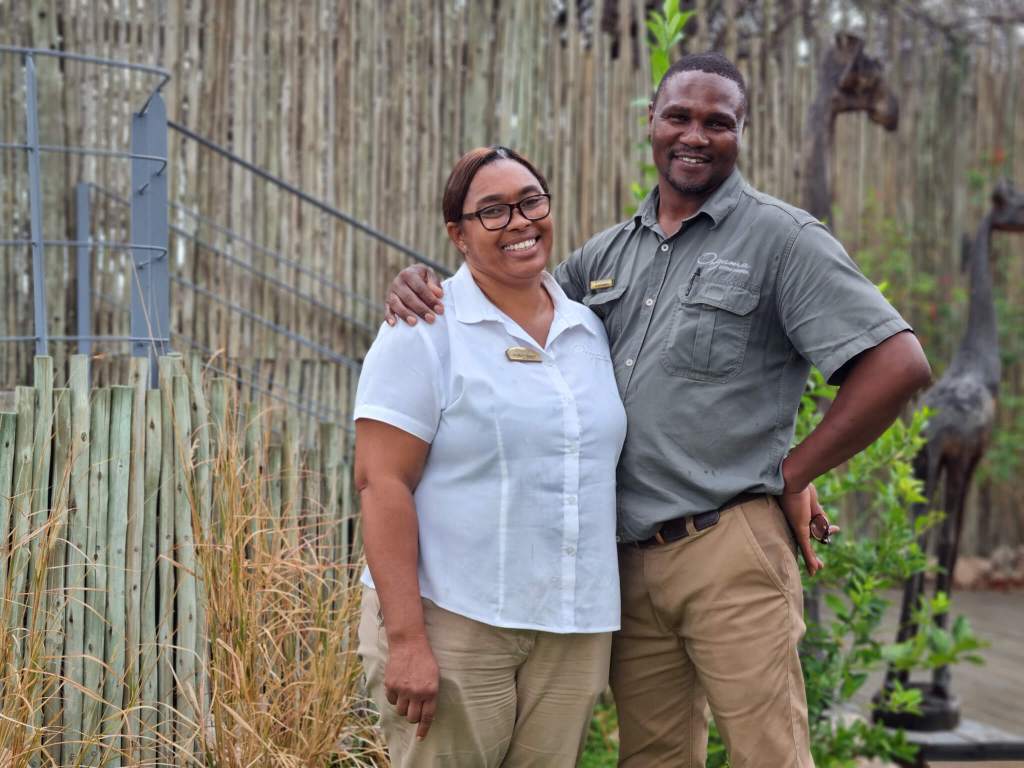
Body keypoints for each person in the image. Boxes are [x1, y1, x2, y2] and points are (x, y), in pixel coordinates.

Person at [384, 52, 932, 767]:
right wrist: (421, 285)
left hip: (728, 552)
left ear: (742, 132)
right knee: (654, 758)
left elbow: (898, 364)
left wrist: (793, 474)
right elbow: (509, 292)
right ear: (651, 123)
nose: (695, 135)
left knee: (770, 755)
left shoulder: (782, 240)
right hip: (628, 567)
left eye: (718, 122)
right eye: (679, 116)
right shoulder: (608, 255)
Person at [354, 145, 628, 767]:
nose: (520, 222)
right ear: (457, 233)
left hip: (572, 626)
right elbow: (380, 483)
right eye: (493, 211)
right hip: (453, 620)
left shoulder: (591, 330)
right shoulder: (424, 330)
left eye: (531, 201)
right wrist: (406, 640)